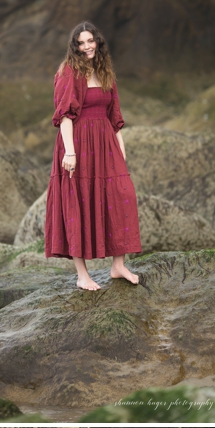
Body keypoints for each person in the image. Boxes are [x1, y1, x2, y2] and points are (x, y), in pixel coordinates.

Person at [44, 22, 141, 291]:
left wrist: (120, 151)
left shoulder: (104, 71)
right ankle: (82, 275)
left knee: (123, 195)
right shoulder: (68, 71)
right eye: (81, 43)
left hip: (105, 144)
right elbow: (64, 115)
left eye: (91, 41)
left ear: (98, 42)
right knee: (78, 204)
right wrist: (70, 152)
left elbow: (115, 117)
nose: (87, 46)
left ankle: (118, 265)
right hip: (76, 144)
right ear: (74, 46)